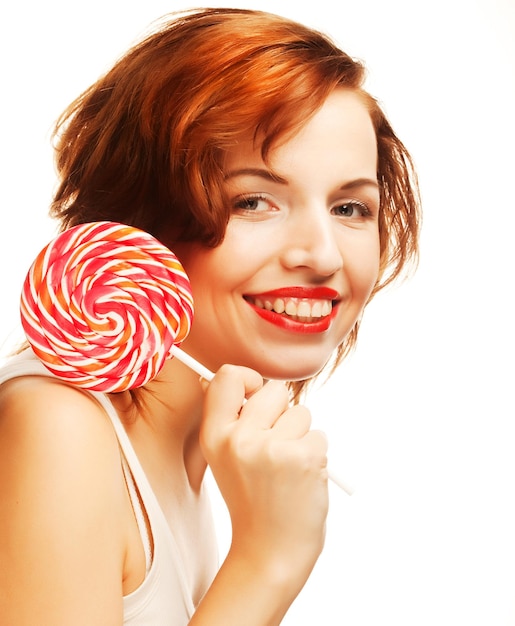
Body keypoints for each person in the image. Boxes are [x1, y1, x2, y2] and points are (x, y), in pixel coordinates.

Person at [0, 7, 420, 625]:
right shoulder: (58, 426)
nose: (323, 255)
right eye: (254, 201)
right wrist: (266, 562)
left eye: (351, 208)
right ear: (142, 221)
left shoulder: (193, 456)